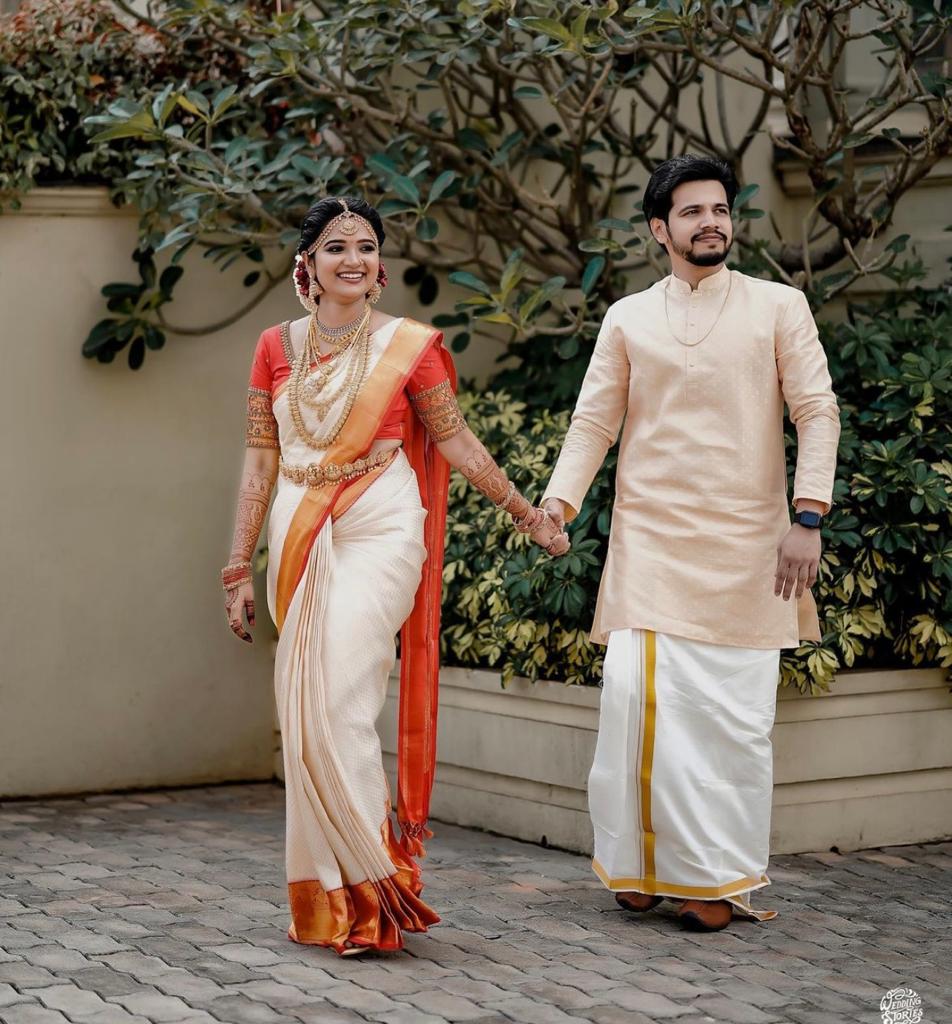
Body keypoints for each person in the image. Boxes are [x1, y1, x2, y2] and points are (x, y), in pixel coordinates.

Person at [221, 196, 569, 955]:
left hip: (380, 522)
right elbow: (258, 464)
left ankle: (374, 889)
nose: (354, 257)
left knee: (341, 695)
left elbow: (457, 443)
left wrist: (525, 513)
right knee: (306, 709)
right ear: (306, 264)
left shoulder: (410, 347)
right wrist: (234, 567)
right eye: (337, 245)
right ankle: (331, 892)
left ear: (380, 267)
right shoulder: (274, 347)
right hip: (298, 527)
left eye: (368, 246)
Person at [542, 156, 840, 932]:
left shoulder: (779, 306)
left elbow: (818, 411)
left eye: (719, 209)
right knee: (636, 707)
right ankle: (641, 864)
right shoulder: (628, 317)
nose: (711, 221)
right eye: (692, 211)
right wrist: (559, 501)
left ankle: (714, 879)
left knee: (731, 720)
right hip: (651, 538)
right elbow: (594, 422)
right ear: (658, 230)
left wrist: (807, 517)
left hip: (751, 547)